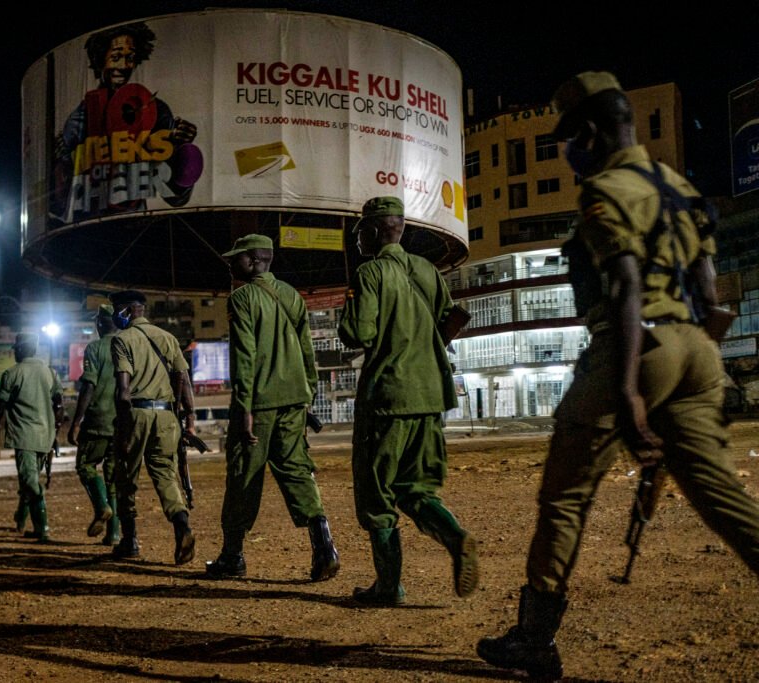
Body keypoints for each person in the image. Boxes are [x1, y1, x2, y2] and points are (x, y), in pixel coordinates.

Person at [477, 72, 759, 680]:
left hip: (636, 345)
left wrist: (632, 391)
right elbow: (711, 293)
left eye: (569, 138)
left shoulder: (605, 188)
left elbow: (627, 284)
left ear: (592, 131)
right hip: (696, 346)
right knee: (722, 496)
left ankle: (534, 637)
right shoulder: (678, 186)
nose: (568, 152)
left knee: (565, 496)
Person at [338, 196, 478, 606]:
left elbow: (358, 334)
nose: (358, 237)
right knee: (415, 488)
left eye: (361, 230)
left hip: (387, 397)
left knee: (377, 493)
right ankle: (455, 538)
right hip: (431, 392)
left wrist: (352, 308)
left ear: (378, 230)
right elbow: (447, 320)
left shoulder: (371, 274)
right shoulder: (427, 270)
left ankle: (388, 586)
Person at [204, 234, 340, 581]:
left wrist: (245, 409)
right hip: (294, 399)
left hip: (259, 404)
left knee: (243, 476)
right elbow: (306, 349)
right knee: (296, 469)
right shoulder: (292, 296)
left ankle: (232, 556)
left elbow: (244, 358)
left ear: (252, 261)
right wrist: (307, 394)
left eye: (235, 259)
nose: (230, 265)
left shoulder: (243, 298)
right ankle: (323, 545)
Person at [50, 21, 201, 225]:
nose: (123, 66)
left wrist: (181, 150)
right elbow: (58, 202)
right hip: (88, 232)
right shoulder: (79, 119)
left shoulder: (156, 111)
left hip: (138, 226)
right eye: (116, 57)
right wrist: (59, 161)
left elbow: (176, 197)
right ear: (100, 60)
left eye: (129, 58)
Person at [109, 289, 197, 564]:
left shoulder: (122, 340)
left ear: (127, 310)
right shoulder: (168, 337)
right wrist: (190, 422)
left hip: (137, 414)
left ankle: (130, 540)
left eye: (117, 310)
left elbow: (124, 392)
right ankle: (182, 526)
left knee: (125, 478)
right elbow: (185, 382)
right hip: (167, 417)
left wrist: (123, 432)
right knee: (166, 476)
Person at [0, 332, 63, 543]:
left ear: (21, 350)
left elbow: (1, 404)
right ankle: (21, 519)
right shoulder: (50, 373)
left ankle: (43, 528)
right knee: (30, 479)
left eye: (15, 349)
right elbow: (59, 405)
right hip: (45, 437)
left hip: (24, 436)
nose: (14, 353)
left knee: (31, 483)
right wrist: (56, 431)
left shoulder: (12, 373)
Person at [67, 304, 121, 545]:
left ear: (99, 324)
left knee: (86, 466)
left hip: (98, 421)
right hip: (121, 423)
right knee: (113, 478)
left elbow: (88, 386)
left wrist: (76, 422)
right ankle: (114, 533)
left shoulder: (95, 348)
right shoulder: (126, 346)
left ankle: (101, 507)